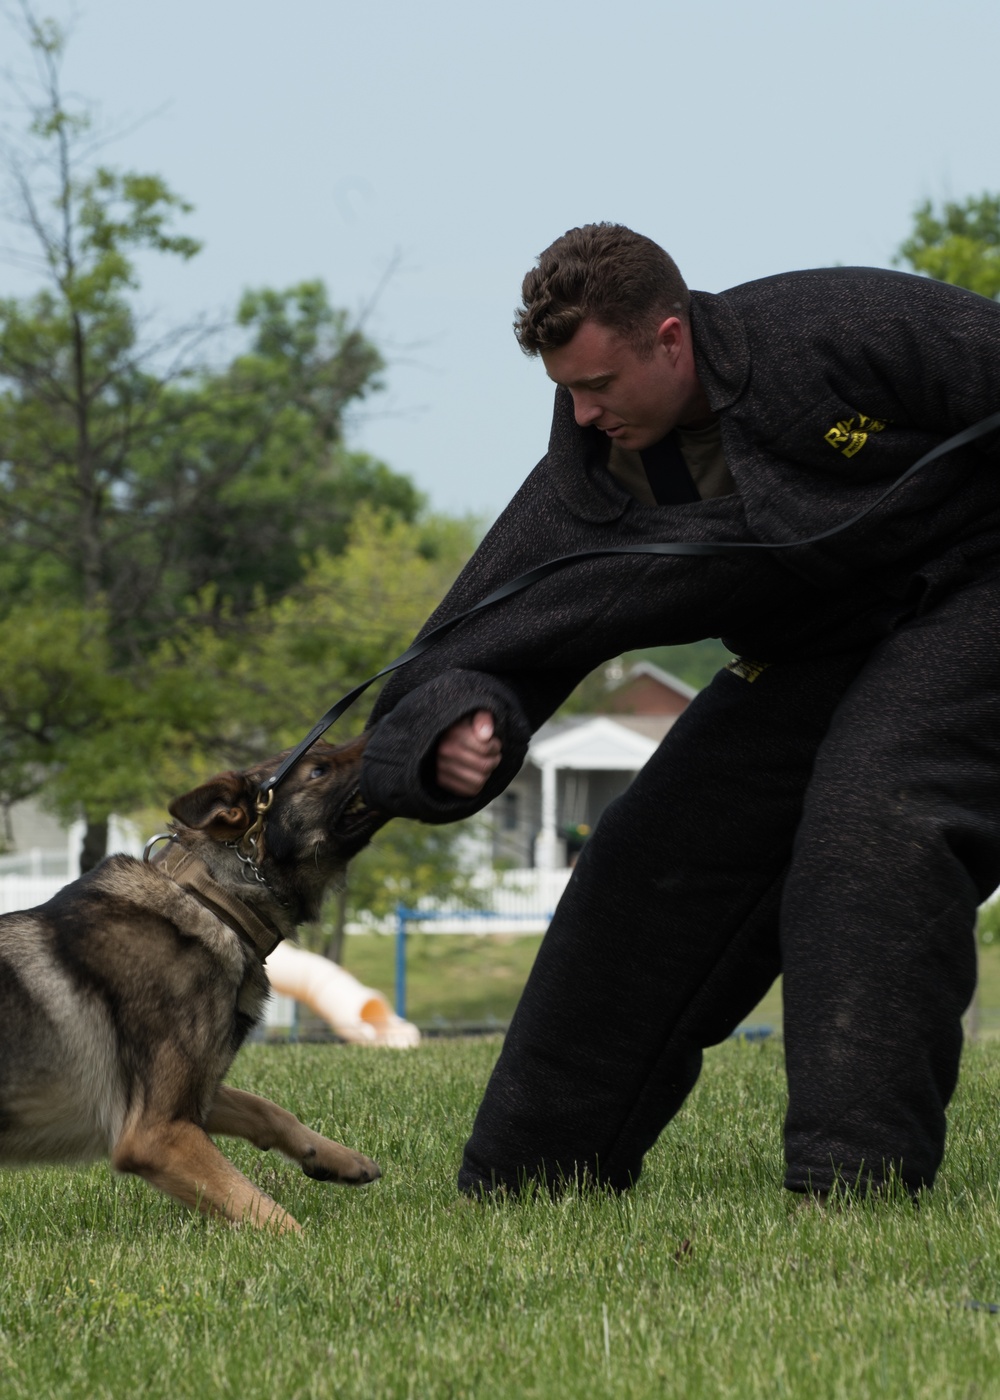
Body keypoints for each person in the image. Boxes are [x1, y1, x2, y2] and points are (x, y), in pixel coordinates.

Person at [359, 222, 1000, 1200]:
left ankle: (851, 1186)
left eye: (599, 384)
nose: (580, 414)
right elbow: (464, 647)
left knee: (879, 805)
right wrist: (454, 725)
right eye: (563, 390)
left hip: (982, 590)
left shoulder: (831, 329)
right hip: (824, 644)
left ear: (669, 338)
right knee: (650, 852)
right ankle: (536, 1178)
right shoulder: (593, 489)